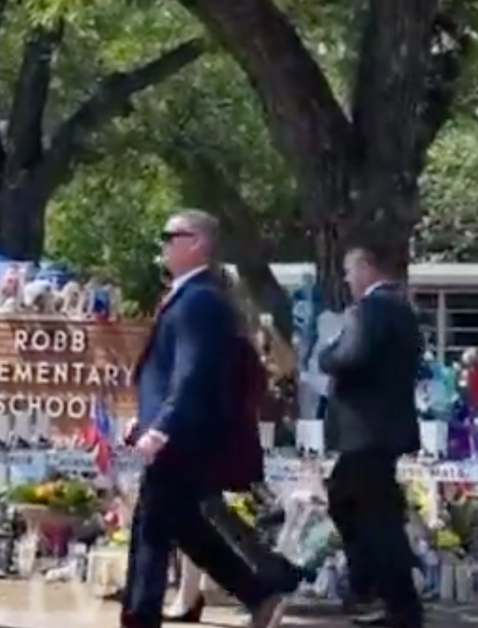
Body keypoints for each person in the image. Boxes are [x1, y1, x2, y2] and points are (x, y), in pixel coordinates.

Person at [122, 210, 287, 628]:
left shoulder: (201, 299)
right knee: (181, 525)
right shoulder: (190, 296)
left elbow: (192, 371)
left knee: (152, 530)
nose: (162, 243)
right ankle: (260, 594)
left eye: (169, 235)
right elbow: (169, 371)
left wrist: (161, 427)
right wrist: (144, 419)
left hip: (183, 437)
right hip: (177, 432)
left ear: (195, 242)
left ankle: (140, 618)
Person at [165, 266, 294, 624]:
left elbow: (283, 367)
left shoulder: (231, 337)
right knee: (203, 516)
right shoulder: (234, 336)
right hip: (228, 438)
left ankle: (266, 587)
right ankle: (191, 596)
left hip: (219, 440)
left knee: (218, 520)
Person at [318, 243, 423, 628]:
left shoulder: (370, 310)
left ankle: (391, 600)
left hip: (367, 431)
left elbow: (349, 356)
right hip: (384, 430)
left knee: (374, 519)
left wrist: (325, 353)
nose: (346, 279)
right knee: (349, 500)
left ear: (366, 267)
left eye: (349, 270)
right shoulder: (403, 311)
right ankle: (377, 590)